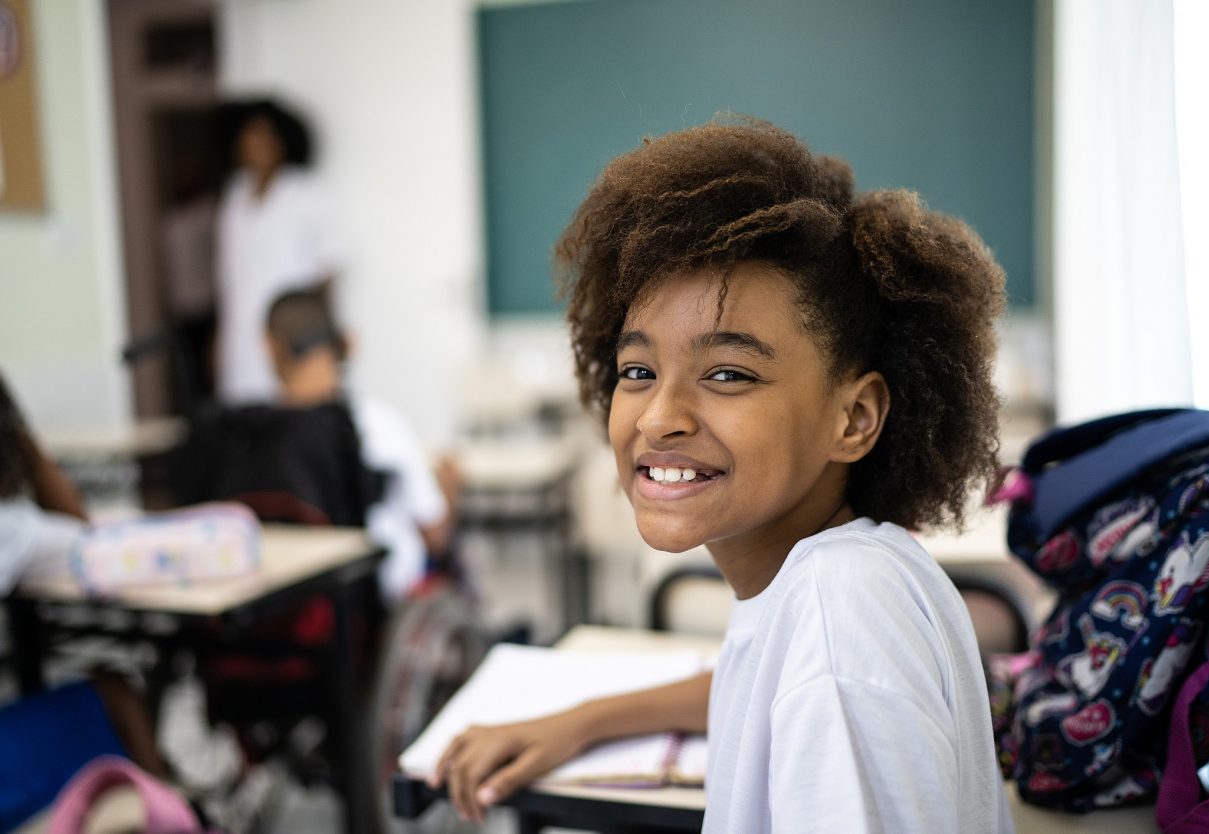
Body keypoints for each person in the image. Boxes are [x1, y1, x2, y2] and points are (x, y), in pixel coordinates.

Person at [430, 118, 1013, 832]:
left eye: (729, 373)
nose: (658, 419)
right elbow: (745, 682)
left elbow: (824, 681)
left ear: (854, 417)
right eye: (638, 371)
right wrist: (579, 722)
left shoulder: (842, 614)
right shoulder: (815, 576)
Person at [0, 373, 167, 833]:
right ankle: (173, 818)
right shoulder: (13, 528)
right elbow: (84, 539)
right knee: (116, 692)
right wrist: (30, 451)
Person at [264, 289, 457, 601]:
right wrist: (450, 485)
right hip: (368, 602)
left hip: (285, 604)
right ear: (345, 343)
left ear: (269, 347)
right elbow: (435, 538)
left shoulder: (254, 437)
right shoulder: (378, 425)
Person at [215, 98, 341, 405]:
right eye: (249, 135)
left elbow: (327, 272)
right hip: (241, 335)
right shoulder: (235, 194)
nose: (256, 144)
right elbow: (229, 274)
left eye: (266, 134)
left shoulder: (305, 192)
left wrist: (321, 342)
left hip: (290, 333)